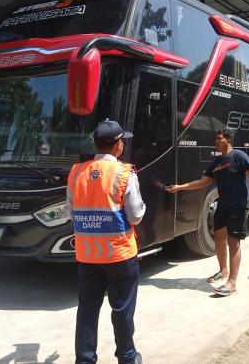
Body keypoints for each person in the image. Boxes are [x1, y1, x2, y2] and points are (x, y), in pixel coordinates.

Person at [66, 119, 145, 364]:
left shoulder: (76, 172)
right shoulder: (124, 172)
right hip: (119, 254)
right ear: (118, 145)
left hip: (87, 254)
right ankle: (127, 357)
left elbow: (71, 211)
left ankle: (85, 359)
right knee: (121, 309)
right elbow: (135, 214)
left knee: (87, 309)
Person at [167, 129, 249, 296]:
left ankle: (232, 283)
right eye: (216, 139)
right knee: (218, 240)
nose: (215, 142)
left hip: (238, 206)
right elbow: (203, 182)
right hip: (222, 205)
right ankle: (223, 270)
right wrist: (180, 187)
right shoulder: (217, 162)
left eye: (219, 138)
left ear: (228, 140)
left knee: (234, 243)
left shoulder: (239, 156)